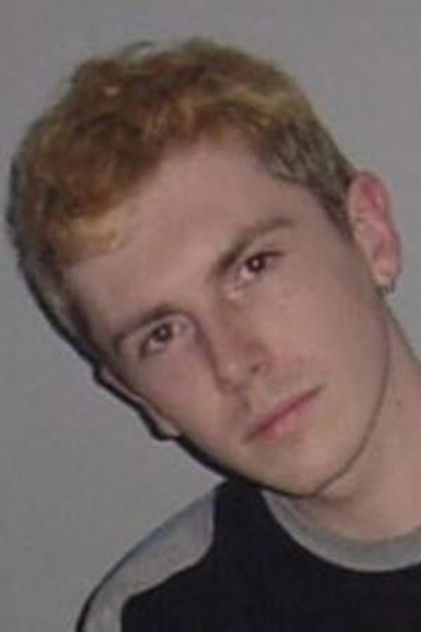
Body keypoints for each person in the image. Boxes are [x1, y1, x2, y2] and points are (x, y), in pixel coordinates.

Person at [7, 38, 421, 631]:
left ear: (370, 234)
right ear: (139, 396)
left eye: (253, 267)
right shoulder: (155, 617)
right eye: (163, 334)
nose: (232, 362)